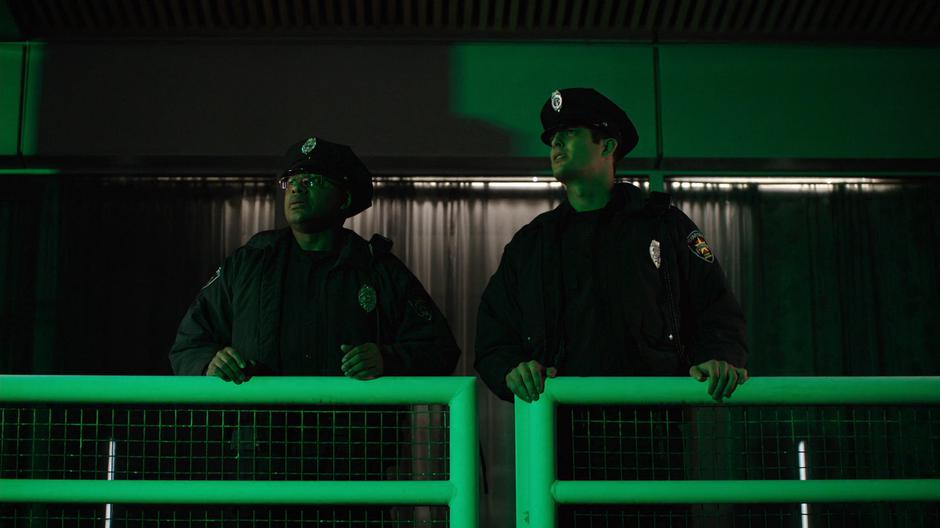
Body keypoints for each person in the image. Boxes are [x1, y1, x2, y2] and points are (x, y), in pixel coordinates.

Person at [473, 88, 749, 524]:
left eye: (569, 133)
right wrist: (513, 368)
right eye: (551, 137)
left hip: (651, 439)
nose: (555, 144)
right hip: (560, 441)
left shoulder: (665, 226)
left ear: (608, 144)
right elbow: (493, 337)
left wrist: (717, 359)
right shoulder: (533, 244)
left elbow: (716, 309)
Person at [169, 136, 460, 523]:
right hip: (261, 469)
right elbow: (190, 342)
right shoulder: (249, 264)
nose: (296, 189)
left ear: (343, 198)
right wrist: (210, 361)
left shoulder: (377, 269)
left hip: (353, 475)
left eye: (312, 181)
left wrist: (387, 358)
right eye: (290, 181)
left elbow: (439, 347)